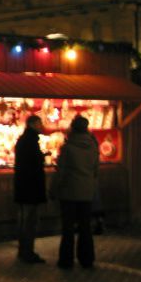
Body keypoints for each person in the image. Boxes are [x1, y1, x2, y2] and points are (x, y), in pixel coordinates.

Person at [50, 115, 99, 270]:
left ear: (72, 128)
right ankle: (87, 259)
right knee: (85, 227)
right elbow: (95, 170)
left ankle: (66, 260)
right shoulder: (93, 146)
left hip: (69, 192)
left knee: (68, 227)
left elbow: (61, 172)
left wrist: (53, 189)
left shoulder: (68, 148)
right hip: (86, 192)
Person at [13, 115, 48, 264]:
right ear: (33, 124)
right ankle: (28, 251)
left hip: (23, 186)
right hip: (31, 187)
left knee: (24, 219)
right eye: (39, 123)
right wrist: (41, 157)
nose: (41, 125)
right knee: (30, 220)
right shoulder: (31, 141)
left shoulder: (23, 140)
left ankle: (23, 250)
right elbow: (33, 163)